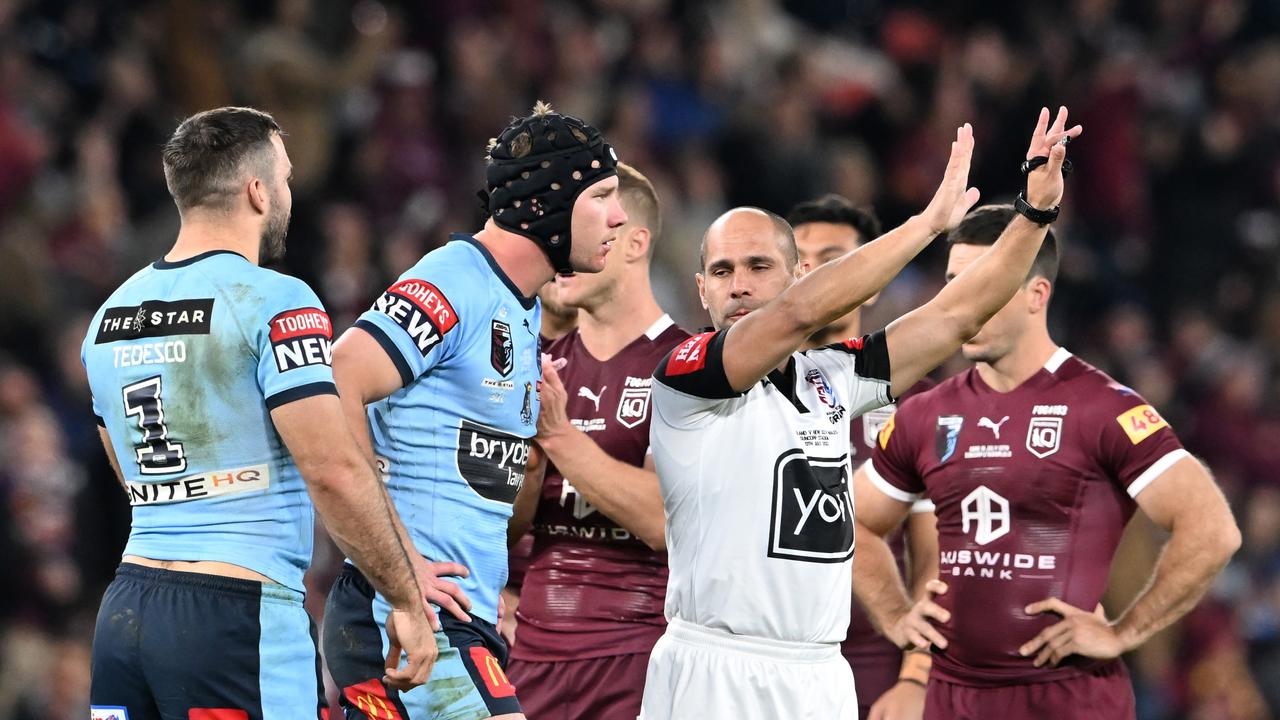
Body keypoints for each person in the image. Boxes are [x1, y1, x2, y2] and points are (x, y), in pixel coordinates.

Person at [639, 107, 1082, 719]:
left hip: (820, 673)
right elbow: (793, 317)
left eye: (759, 266)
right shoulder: (684, 377)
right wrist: (927, 224)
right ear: (701, 290)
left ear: (798, 273)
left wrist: (1033, 215)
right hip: (715, 670)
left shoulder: (833, 379)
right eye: (722, 271)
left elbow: (955, 316)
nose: (739, 284)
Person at [82, 106, 435, 719]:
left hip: (127, 610)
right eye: (287, 180)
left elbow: (122, 456)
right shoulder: (276, 299)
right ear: (257, 191)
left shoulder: (110, 315)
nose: (289, 195)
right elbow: (333, 470)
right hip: (234, 610)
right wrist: (406, 599)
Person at [851, 204, 1242, 720]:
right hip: (950, 698)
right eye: (952, 283)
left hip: (1067, 698)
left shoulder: (1103, 407)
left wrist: (1123, 630)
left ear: (1037, 294)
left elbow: (1213, 530)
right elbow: (854, 520)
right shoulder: (926, 413)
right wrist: (897, 617)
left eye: (983, 282)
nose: (961, 301)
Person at [323, 102, 626, 720]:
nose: (618, 217)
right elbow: (338, 375)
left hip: (459, 619)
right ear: (545, 204)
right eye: (602, 195)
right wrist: (402, 566)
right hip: (408, 619)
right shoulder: (454, 279)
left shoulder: (522, 305)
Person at [504, 162, 689, 720]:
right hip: (531, 650)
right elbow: (507, 530)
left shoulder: (688, 366)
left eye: (583, 231)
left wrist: (558, 439)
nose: (561, 248)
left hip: (636, 649)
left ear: (634, 243)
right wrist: (530, 474)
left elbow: (663, 521)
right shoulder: (538, 367)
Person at [788, 194, 939, 720]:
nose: (811, 273)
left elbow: (934, 554)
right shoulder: (744, 389)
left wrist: (916, 677)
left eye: (833, 260)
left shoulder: (918, 403)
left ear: (871, 280)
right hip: (764, 662)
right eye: (798, 259)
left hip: (873, 670)